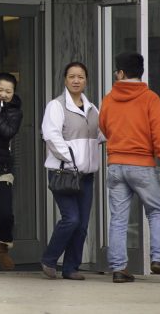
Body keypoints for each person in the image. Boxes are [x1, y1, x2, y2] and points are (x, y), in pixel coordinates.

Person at [98, 51, 160, 283]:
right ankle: (159, 258)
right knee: (156, 212)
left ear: (121, 73)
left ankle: (119, 269)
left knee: (118, 218)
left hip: (116, 164)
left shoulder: (108, 99)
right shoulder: (150, 98)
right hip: (142, 165)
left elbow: (104, 127)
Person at [40, 62, 102, 280]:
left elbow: (100, 136)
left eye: (81, 77)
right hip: (64, 174)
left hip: (86, 176)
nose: (76, 80)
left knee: (82, 225)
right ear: (65, 79)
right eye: (72, 76)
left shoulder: (93, 109)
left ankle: (70, 268)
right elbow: (51, 137)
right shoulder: (56, 106)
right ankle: (49, 259)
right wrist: (71, 160)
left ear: (86, 80)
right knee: (71, 219)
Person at [0, 72, 23, 271]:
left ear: (13, 92)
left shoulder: (15, 112)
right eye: (0, 90)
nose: (3, 94)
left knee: (6, 214)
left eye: (8, 91)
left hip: (2, 170)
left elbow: (7, 132)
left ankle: (2, 247)